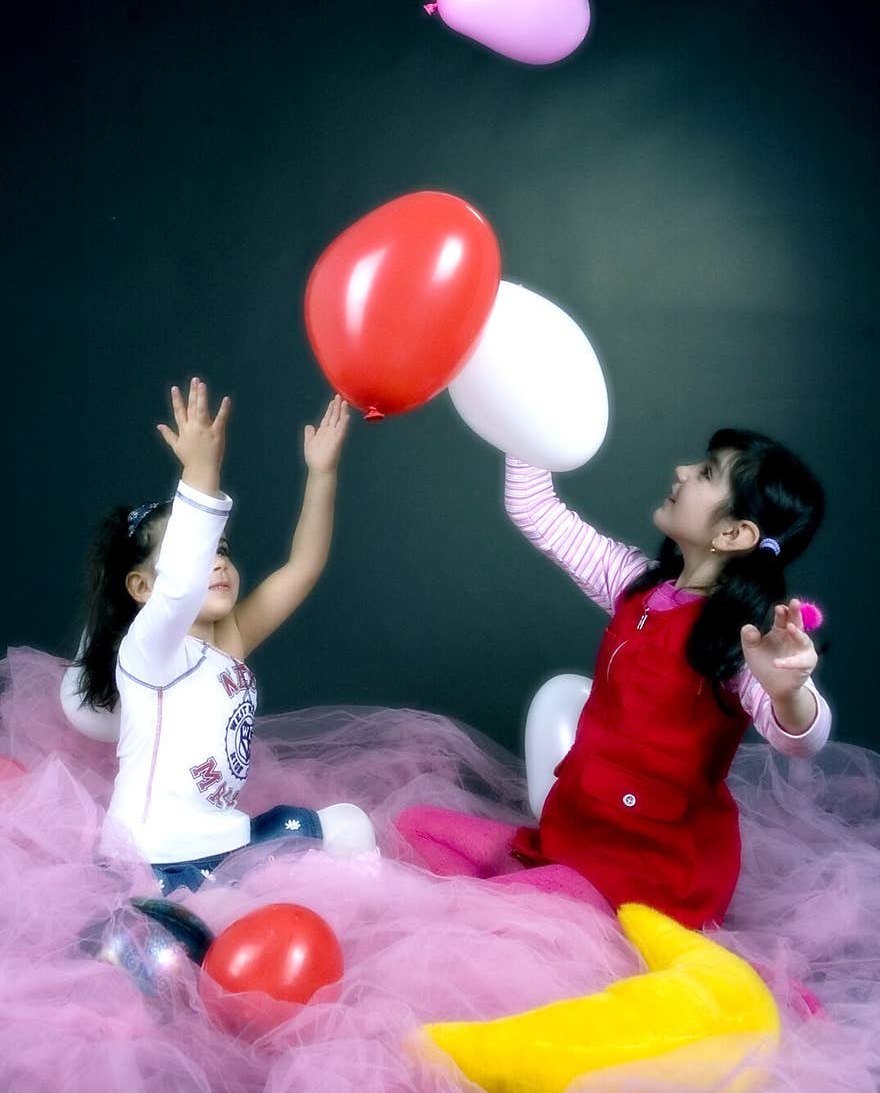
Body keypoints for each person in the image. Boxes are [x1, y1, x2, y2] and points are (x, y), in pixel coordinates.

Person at [397, 429, 831, 929]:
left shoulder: (741, 639)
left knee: (490, 913)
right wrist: (518, 411)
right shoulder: (634, 582)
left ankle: (596, 933)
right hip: (577, 836)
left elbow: (801, 737)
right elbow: (533, 508)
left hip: (652, 872)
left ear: (733, 534)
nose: (682, 472)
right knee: (415, 829)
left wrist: (788, 692)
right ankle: (551, 911)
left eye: (706, 473)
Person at [66, 377, 375, 893]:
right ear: (142, 587)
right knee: (226, 924)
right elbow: (182, 586)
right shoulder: (151, 650)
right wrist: (200, 471)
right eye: (203, 550)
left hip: (224, 845)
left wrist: (321, 475)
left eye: (224, 550)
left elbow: (301, 568)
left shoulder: (230, 636)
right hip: (151, 863)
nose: (219, 563)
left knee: (349, 827)